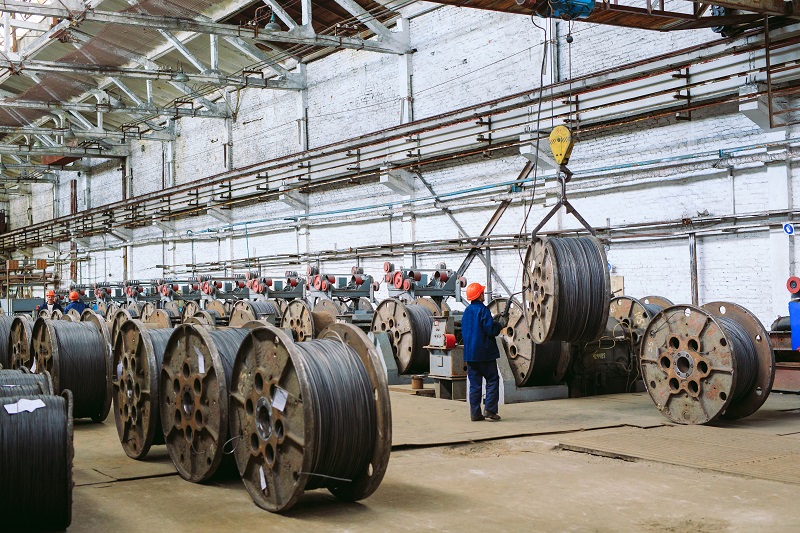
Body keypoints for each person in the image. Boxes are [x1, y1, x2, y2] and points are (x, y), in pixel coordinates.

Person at [461, 282, 507, 421]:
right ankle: (490, 410)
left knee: (475, 385)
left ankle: (475, 414)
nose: (483, 295)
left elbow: (475, 328)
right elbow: (490, 330)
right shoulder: (483, 310)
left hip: (470, 355)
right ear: (480, 295)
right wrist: (500, 324)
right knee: (492, 380)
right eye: (482, 292)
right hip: (485, 355)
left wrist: (492, 321)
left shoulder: (467, 312)